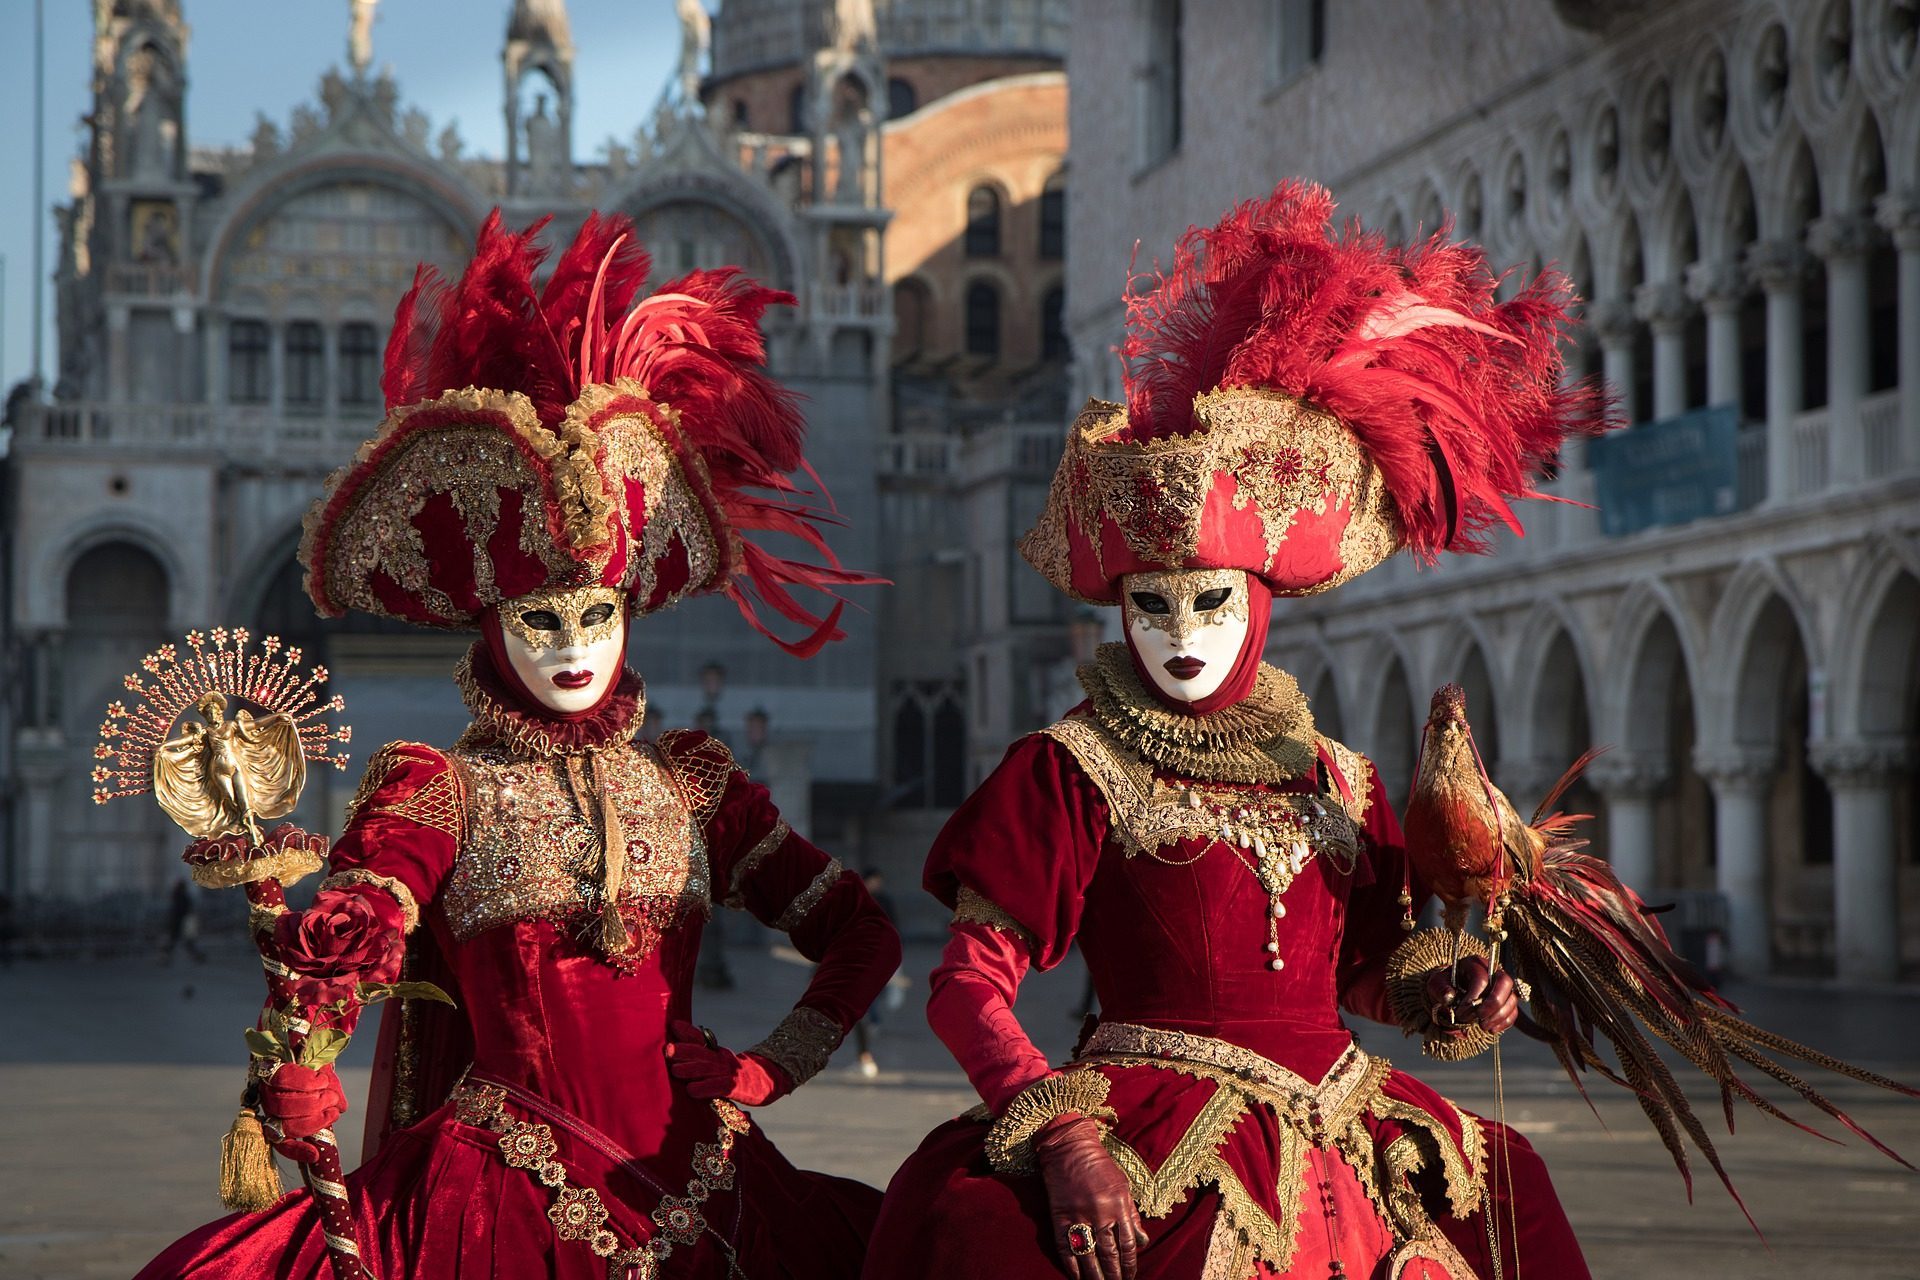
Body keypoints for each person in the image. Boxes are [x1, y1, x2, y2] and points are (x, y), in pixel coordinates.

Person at [863, 182, 1609, 1280]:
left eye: (1209, 602)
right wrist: (1066, 1134)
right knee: (975, 1235)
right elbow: (967, 981)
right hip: (1147, 1114)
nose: (1179, 633)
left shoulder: (1339, 778)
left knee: (1512, 1194)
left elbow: (1362, 969)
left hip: (1344, 1111)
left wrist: (1442, 987)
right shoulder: (1073, 769)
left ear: (1258, 601)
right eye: (1151, 605)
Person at [137, 211, 900, 1279]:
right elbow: (357, 937)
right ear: (493, 622)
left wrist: (766, 1072)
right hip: (493, 1197)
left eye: (598, 614)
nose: (576, 646)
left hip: (700, 1184)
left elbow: (861, 933)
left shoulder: (693, 785)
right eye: (544, 620)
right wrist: (305, 1053)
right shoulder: (437, 790)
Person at [163, 877, 206, 965]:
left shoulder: (177, 896)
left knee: (175, 941)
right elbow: (186, 909)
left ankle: (165, 957)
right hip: (182, 922)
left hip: (178, 922)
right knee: (185, 942)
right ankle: (197, 956)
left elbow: (176, 910)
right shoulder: (182, 896)